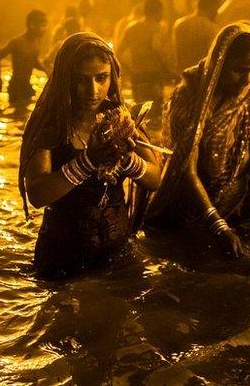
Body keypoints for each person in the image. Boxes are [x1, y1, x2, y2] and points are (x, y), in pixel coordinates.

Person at [19, 33, 161, 279]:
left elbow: (156, 179)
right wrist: (88, 161)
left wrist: (127, 160)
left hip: (117, 250)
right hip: (63, 255)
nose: (92, 90)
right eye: (81, 80)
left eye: (101, 78)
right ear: (65, 80)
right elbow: (37, 194)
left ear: (112, 77)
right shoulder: (51, 126)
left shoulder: (121, 119)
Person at [146, 22, 250, 258]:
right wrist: (217, 225)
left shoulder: (248, 89)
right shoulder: (190, 98)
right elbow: (186, 170)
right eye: (239, 69)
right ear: (220, 64)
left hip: (229, 199)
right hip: (188, 203)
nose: (247, 78)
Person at [117, 0, 172, 117]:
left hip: (137, 77)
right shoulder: (158, 28)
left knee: (139, 116)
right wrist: (168, 69)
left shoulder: (131, 28)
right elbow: (157, 48)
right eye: (161, 11)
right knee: (154, 117)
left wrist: (128, 69)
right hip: (153, 77)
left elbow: (119, 52)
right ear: (157, 11)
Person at [0, 9, 48, 108]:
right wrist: (0, 82)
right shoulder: (17, 42)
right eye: (42, 24)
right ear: (32, 25)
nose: (44, 28)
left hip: (27, 87)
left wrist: (47, 71)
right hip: (15, 88)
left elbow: (33, 61)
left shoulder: (36, 42)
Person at [171, 0, 221, 73]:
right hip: (200, 76)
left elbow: (172, 53)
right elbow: (215, 57)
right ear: (213, 7)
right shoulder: (211, 28)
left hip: (182, 76)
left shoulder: (179, 24)